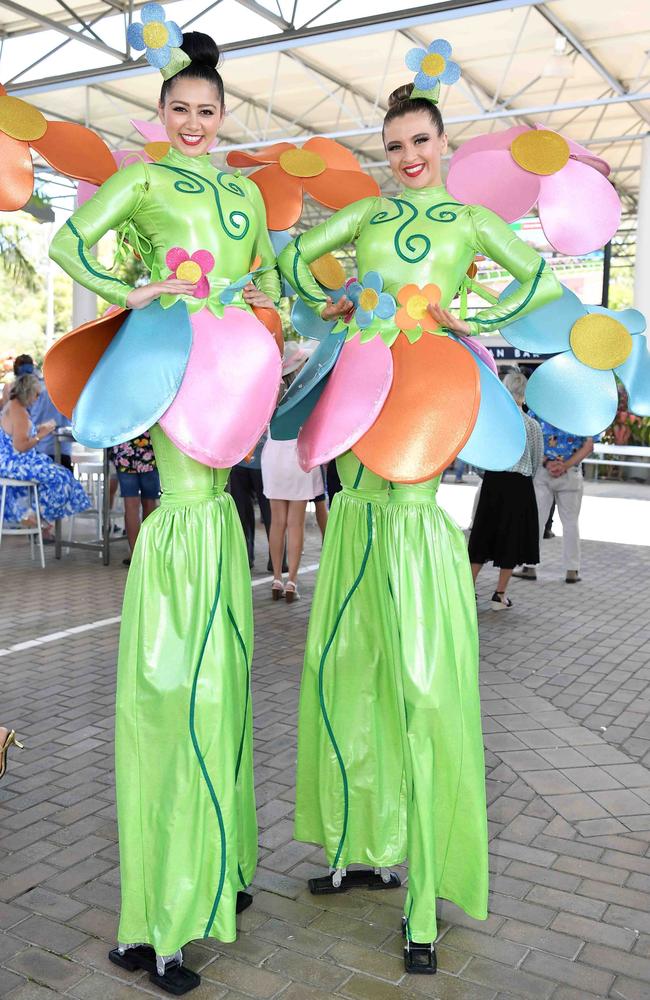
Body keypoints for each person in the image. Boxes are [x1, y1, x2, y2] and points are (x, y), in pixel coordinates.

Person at [277, 69, 561, 973]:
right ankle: (359, 847)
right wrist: (333, 304)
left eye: (420, 143)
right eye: (393, 146)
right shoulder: (366, 219)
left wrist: (462, 318)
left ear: (445, 143)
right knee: (350, 657)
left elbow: (537, 280)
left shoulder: (470, 223)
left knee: (423, 676)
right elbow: (290, 259)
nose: (406, 158)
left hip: (423, 427)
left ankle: (425, 895)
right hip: (356, 436)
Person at [48, 23, 281, 992]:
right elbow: (69, 242)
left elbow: (267, 280)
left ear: (226, 117)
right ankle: (156, 915)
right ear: (160, 115)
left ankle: (216, 869)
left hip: (220, 471)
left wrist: (241, 311)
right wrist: (134, 291)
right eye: (178, 111)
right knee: (165, 700)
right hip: (174, 480)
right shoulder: (142, 184)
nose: (192, 123)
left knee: (216, 693)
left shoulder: (239, 194)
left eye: (206, 112)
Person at [468, 371, 543, 609]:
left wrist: (488, 474)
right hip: (519, 486)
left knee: (482, 535)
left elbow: (481, 455)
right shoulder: (532, 425)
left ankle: (468, 591)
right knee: (511, 538)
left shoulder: (495, 421)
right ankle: (499, 595)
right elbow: (536, 459)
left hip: (493, 481)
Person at [261, 343, 324, 601]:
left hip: (274, 456)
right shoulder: (307, 392)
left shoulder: (270, 392)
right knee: (295, 524)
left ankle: (276, 577)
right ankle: (292, 583)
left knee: (277, 522)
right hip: (298, 455)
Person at [0, 374, 90, 531]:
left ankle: (33, 513)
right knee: (60, 476)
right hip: (12, 464)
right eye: (36, 393)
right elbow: (21, 446)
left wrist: (38, 430)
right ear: (28, 393)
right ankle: (37, 515)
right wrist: (41, 434)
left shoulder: (14, 407)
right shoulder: (18, 411)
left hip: (9, 462)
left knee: (60, 473)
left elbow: (18, 437)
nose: (38, 397)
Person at [513, 416, 594, 583]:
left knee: (537, 520)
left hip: (543, 472)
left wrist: (548, 463)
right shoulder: (582, 413)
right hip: (570, 473)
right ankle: (572, 570)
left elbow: (529, 441)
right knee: (571, 522)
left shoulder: (541, 409)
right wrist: (565, 465)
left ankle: (529, 566)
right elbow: (589, 446)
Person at [111, 432, 160, 567]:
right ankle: (147, 552)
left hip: (124, 448)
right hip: (150, 448)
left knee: (131, 505)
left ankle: (134, 554)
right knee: (150, 503)